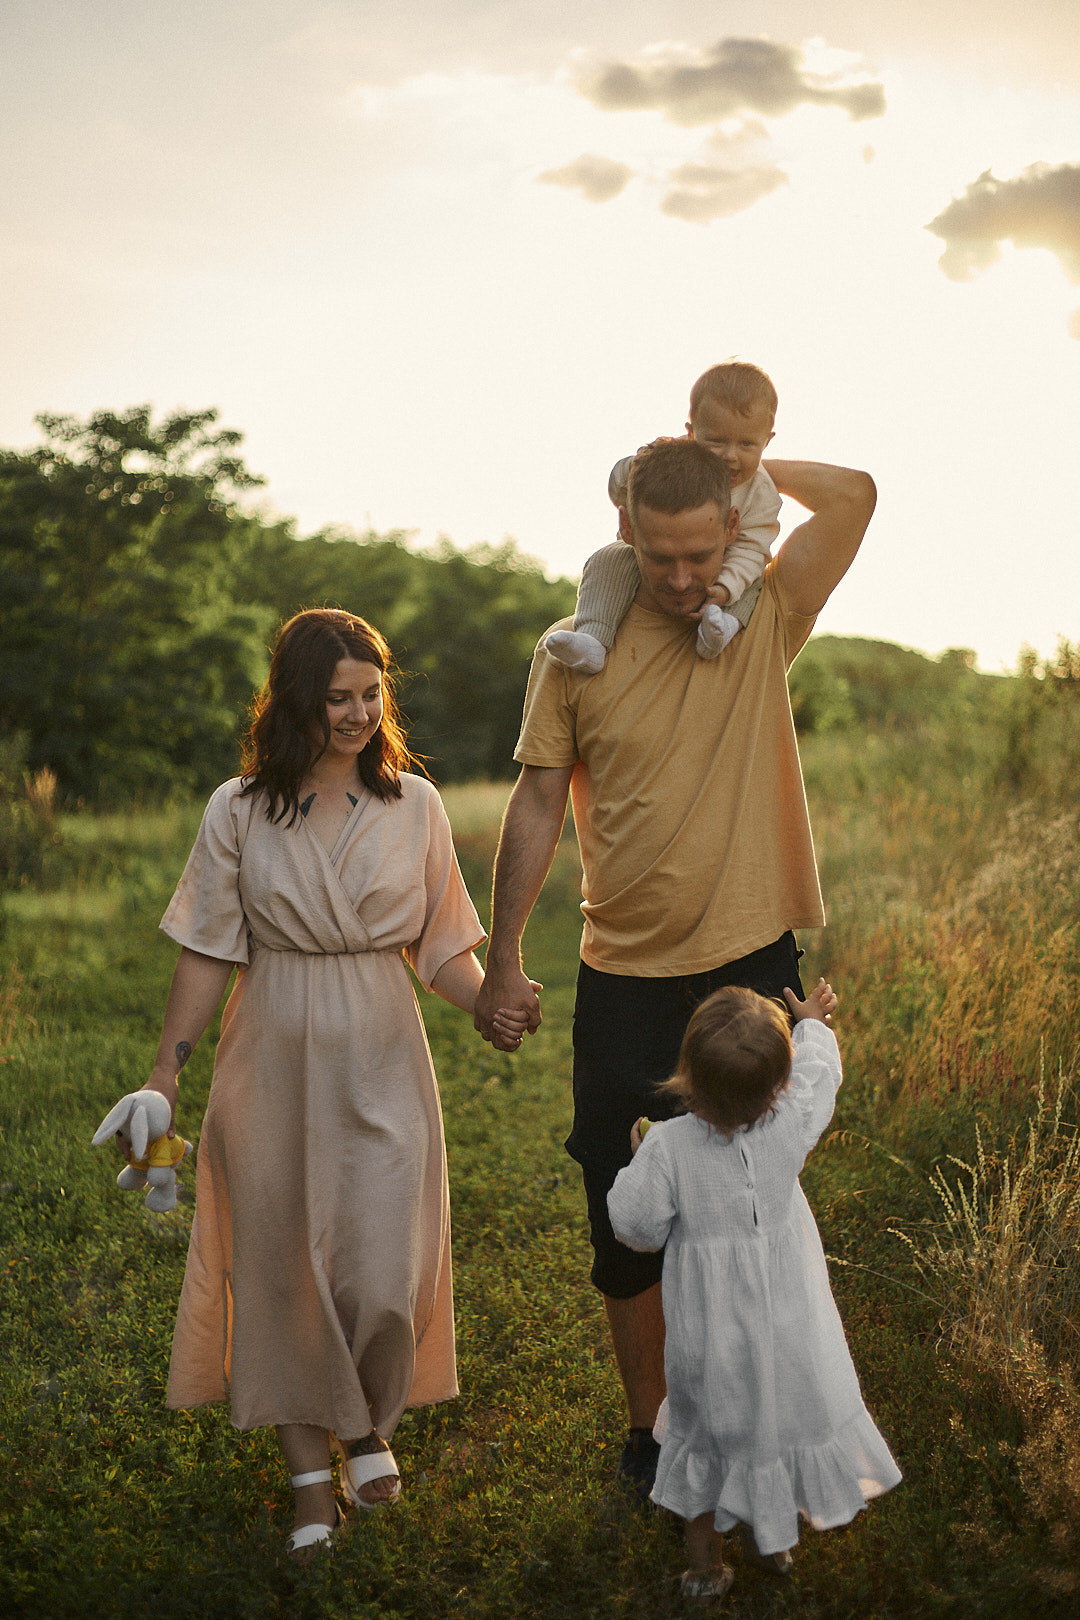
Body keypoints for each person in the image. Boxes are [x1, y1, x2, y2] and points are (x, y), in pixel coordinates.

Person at [474, 434, 876, 1504]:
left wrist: (741, 455)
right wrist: (504, 956)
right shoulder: (576, 648)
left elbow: (856, 496)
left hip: (750, 961)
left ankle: (768, 1413)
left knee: (754, 1193)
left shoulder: (758, 619)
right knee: (619, 1209)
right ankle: (651, 1430)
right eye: (662, 556)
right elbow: (536, 798)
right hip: (623, 969)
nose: (686, 578)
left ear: (731, 532)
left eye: (704, 553)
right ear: (625, 532)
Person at [134, 608, 511, 1557]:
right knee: (281, 1267)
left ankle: (366, 1422)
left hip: (383, 1047)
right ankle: (315, 1475)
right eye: (336, 698)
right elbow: (206, 953)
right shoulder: (238, 809)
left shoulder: (413, 806)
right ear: (296, 701)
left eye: (369, 695)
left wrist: (489, 1006)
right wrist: (166, 1071)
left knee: (385, 1269)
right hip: (270, 1049)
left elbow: (443, 950)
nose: (355, 715)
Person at [607, 980, 901, 1599]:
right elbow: (821, 1073)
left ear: (687, 1074)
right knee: (780, 1410)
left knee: (711, 1429)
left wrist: (636, 1158)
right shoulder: (789, 1117)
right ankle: (777, 1541)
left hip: (711, 1334)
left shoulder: (668, 1148)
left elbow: (635, 1227)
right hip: (787, 1314)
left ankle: (704, 1567)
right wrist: (811, 1022)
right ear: (775, 1084)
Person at [544, 362, 781, 673]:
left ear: (767, 441)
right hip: (648, 556)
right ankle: (594, 639)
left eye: (747, 444)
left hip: (730, 569)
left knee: (754, 581)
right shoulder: (669, 462)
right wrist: (641, 465)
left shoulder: (762, 494)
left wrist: (724, 589)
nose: (730, 455)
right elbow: (619, 487)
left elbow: (752, 550)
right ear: (692, 433)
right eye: (717, 441)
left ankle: (721, 631)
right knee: (608, 560)